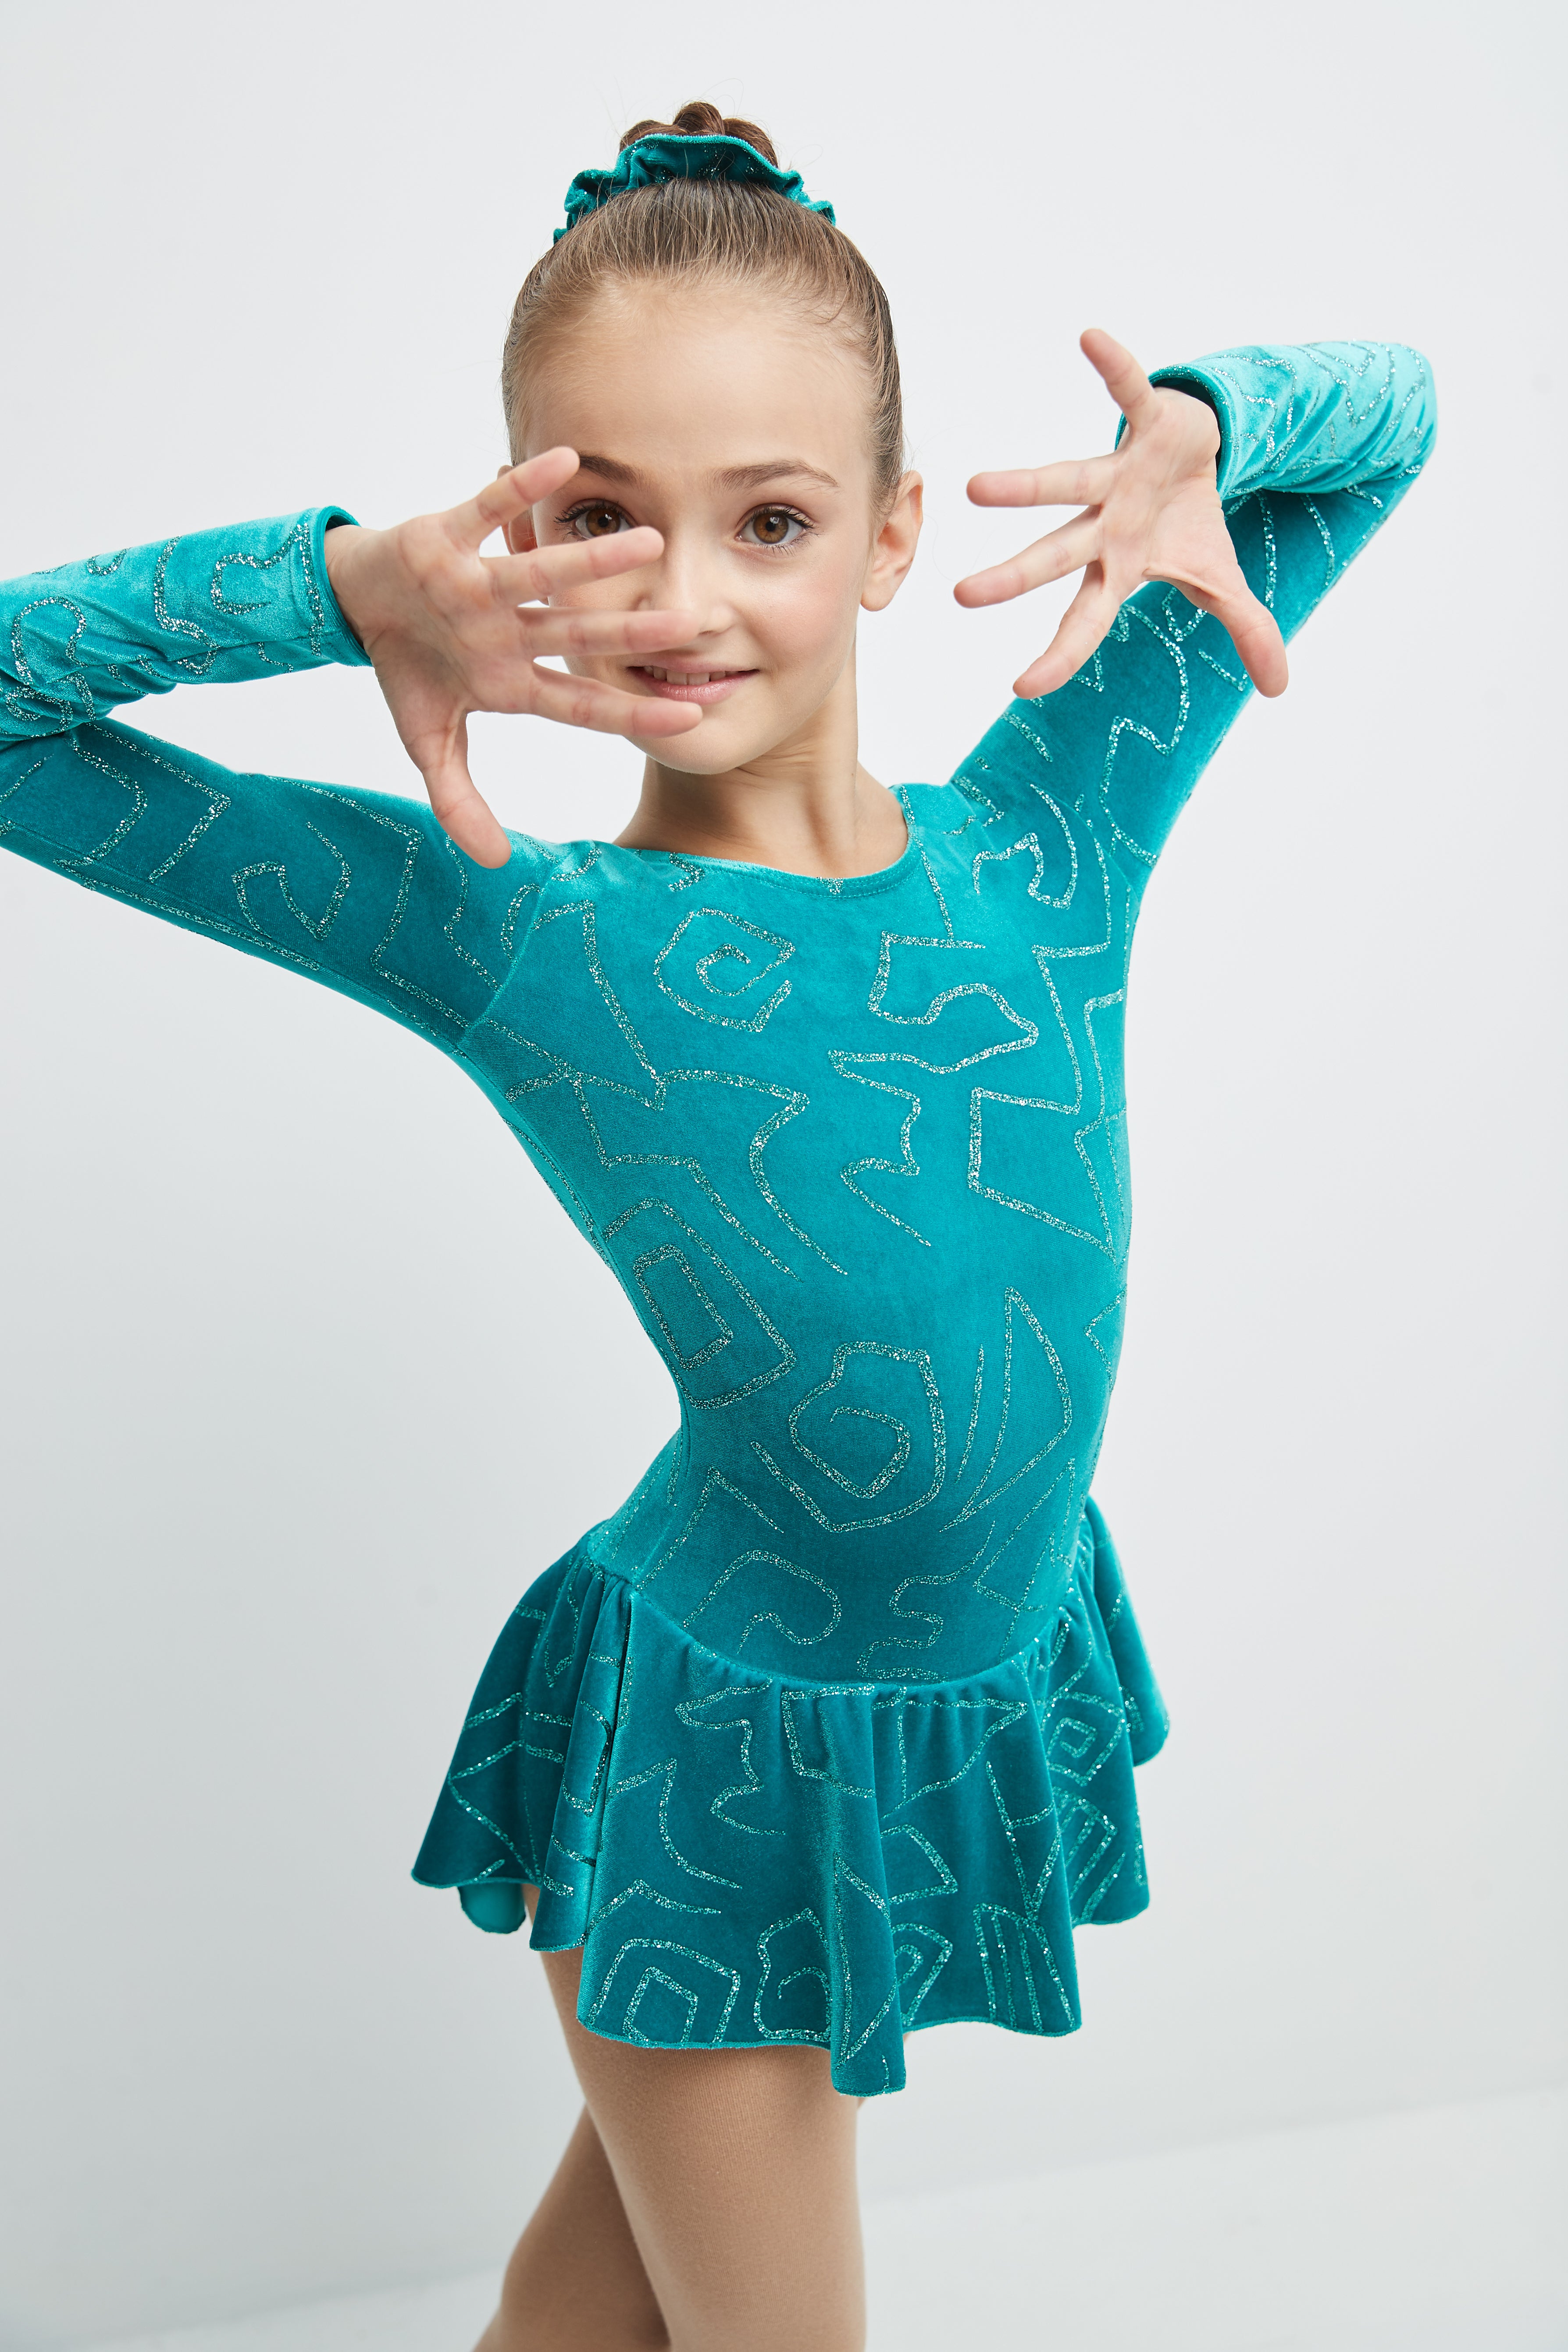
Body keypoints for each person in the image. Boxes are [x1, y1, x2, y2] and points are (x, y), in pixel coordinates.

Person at [0, 98, 1434, 2352]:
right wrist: (326, 585)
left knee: (595, 2323)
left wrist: (1209, 427)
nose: (680, 599)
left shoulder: (1056, 823)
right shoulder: (512, 927)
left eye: (769, 518)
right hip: (710, 1756)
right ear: (507, 538)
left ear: (889, 534)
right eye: (600, 520)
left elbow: (1393, 419)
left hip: (945, 1677)